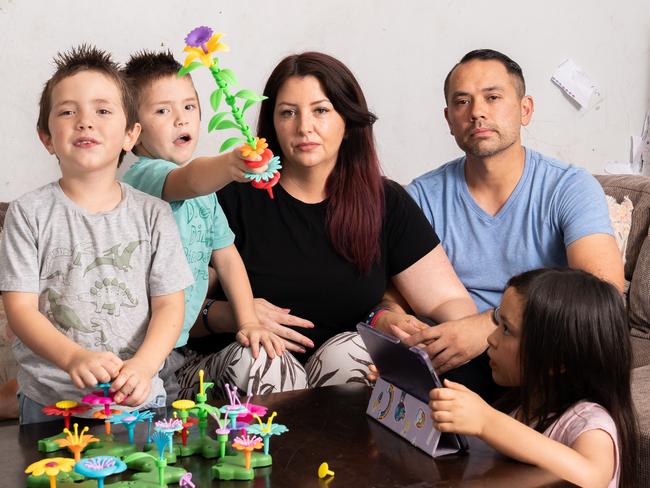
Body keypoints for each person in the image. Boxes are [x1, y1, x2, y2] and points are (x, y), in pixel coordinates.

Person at [178, 51, 477, 398]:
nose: (304, 127)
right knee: (264, 360)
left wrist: (434, 333)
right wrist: (237, 314)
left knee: (359, 356)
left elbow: (449, 303)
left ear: (346, 120)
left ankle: (334, 455)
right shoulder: (230, 199)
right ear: (272, 123)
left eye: (321, 110)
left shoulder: (384, 201)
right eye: (288, 112)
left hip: (333, 374)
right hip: (228, 373)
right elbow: (173, 312)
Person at [381, 49, 623, 385]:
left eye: (493, 97)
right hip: (448, 355)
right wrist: (396, 321)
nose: (477, 112)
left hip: (536, 352)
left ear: (525, 110)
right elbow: (392, 289)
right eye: (462, 102)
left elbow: (602, 293)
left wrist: (490, 326)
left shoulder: (568, 187)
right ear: (449, 119)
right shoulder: (421, 197)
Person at [0, 45, 194, 424]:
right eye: (68, 111)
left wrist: (143, 366)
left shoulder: (153, 214)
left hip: (136, 400)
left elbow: (171, 306)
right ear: (46, 137)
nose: (85, 122)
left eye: (102, 111)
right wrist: (73, 358)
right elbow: (20, 308)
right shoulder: (29, 213)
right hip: (50, 402)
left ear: (129, 134)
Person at [121, 51, 284, 399]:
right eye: (163, 110)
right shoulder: (144, 177)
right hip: (133, 344)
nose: (181, 119)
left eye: (189, 107)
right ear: (133, 132)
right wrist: (229, 164)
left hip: (174, 344)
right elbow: (191, 179)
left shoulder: (206, 197)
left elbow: (227, 258)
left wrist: (249, 322)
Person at [428, 268, 638, 488]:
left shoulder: (589, 423)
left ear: (556, 362)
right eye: (498, 322)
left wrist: (486, 422)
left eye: (507, 330)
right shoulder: (522, 405)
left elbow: (591, 477)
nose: (491, 338)